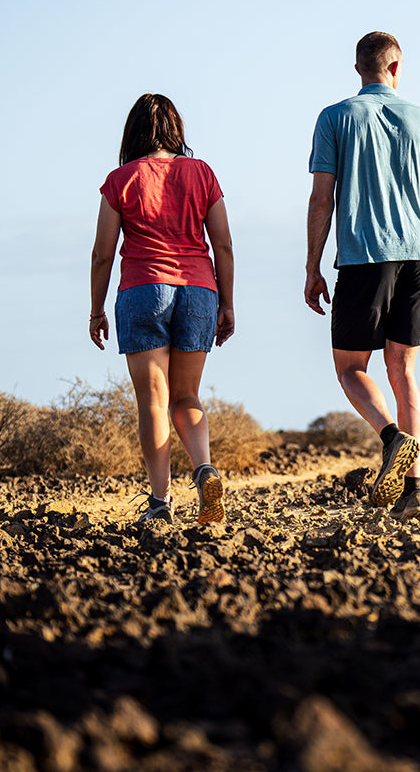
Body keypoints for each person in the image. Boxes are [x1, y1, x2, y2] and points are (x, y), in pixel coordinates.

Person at [305, 32, 420, 521]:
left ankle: (392, 438)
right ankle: (414, 490)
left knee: (352, 368)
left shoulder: (335, 118)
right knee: (405, 371)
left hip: (362, 257)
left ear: (359, 69)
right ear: (397, 68)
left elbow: (322, 199)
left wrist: (311, 266)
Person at [89, 93, 234, 524]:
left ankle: (160, 502)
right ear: (176, 130)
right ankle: (204, 468)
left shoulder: (121, 179)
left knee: (153, 402)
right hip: (198, 290)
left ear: (132, 132)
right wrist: (227, 303)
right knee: (187, 396)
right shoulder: (203, 173)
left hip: (142, 289)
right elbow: (223, 244)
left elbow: (102, 253)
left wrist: (96, 310)